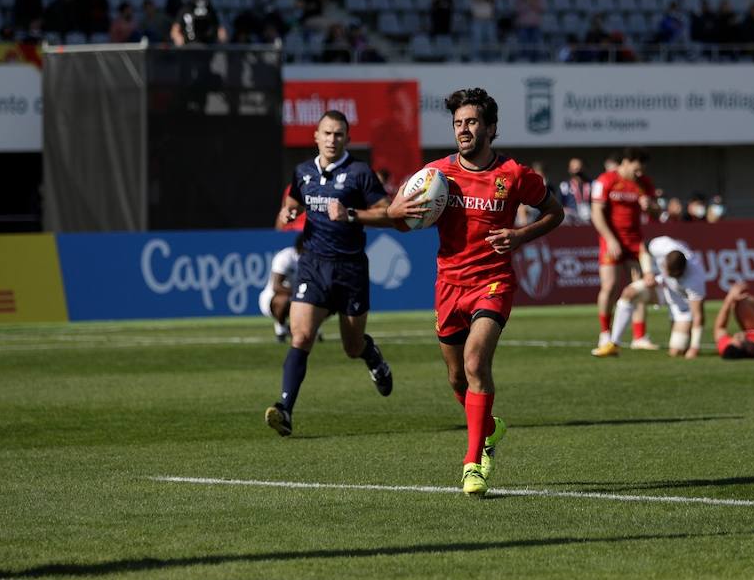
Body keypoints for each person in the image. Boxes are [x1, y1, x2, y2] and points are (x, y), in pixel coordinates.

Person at [384, 88, 565, 497]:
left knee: (474, 360)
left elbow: (556, 213)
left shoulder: (515, 174)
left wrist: (520, 236)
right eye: (458, 123)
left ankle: (473, 463)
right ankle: (489, 426)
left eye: (471, 122)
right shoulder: (436, 175)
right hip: (448, 284)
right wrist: (396, 213)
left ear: (491, 128)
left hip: (493, 282)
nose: (463, 130)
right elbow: (399, 218)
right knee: (455, 377)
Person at [264, 111, 404, 437]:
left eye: (338, 134)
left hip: (351, 268)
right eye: (326, 133)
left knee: (352, 347)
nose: (331, 139)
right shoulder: (303, 172)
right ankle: (284, 409)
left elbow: (389, 214)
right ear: (316, 136)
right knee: (301, 336)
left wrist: (350, 214)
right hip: (313, 264)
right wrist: (290, 209)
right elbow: (294, 198)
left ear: (347, 139)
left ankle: (374, 358)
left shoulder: (359, 173)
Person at [594, 235, 706, 359]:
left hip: (682, 305)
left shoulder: (695, 279)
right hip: (662, 288)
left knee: (676, 351)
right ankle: (614, 344)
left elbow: (698, 316)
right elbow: (643, 247)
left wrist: (694, 347)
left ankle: (683, 340)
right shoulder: (663, 245)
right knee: (629, 293)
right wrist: (648, 272)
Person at [592, 148, 659, 352]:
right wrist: (611, 239)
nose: (639, 173)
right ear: (627, 162)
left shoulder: (644, 183)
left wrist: (650, 206)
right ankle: (605, 334)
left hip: (635, 242)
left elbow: (657, 213)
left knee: (639, 287)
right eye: (637, 168)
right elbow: (597, 214)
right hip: (611, 241)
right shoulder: (605, 181)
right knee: (610, 287)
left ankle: (639, 337)